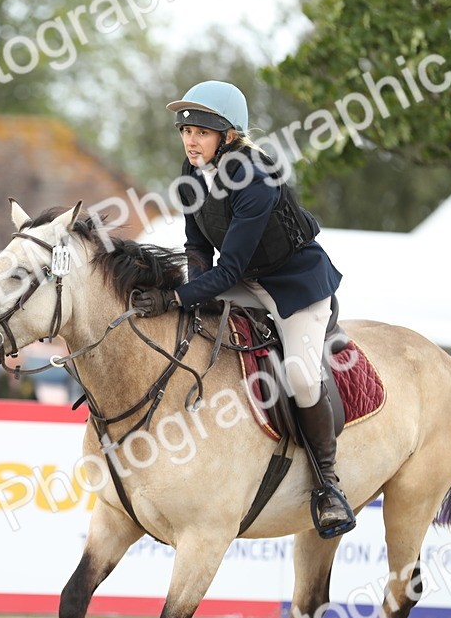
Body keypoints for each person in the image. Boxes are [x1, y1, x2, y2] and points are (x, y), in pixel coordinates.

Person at [131, 80, 353, 537]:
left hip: (295, 288)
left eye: (201, 132)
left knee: (299, 376)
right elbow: (197, 247)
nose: (191, 141)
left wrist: (175, 297)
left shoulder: (255, 179)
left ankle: (328, 485)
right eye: (186, 131)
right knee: (186, 326)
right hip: (244, 282)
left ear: (228, 136)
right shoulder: (192, 174)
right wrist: (187, 297)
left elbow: (229, 267)